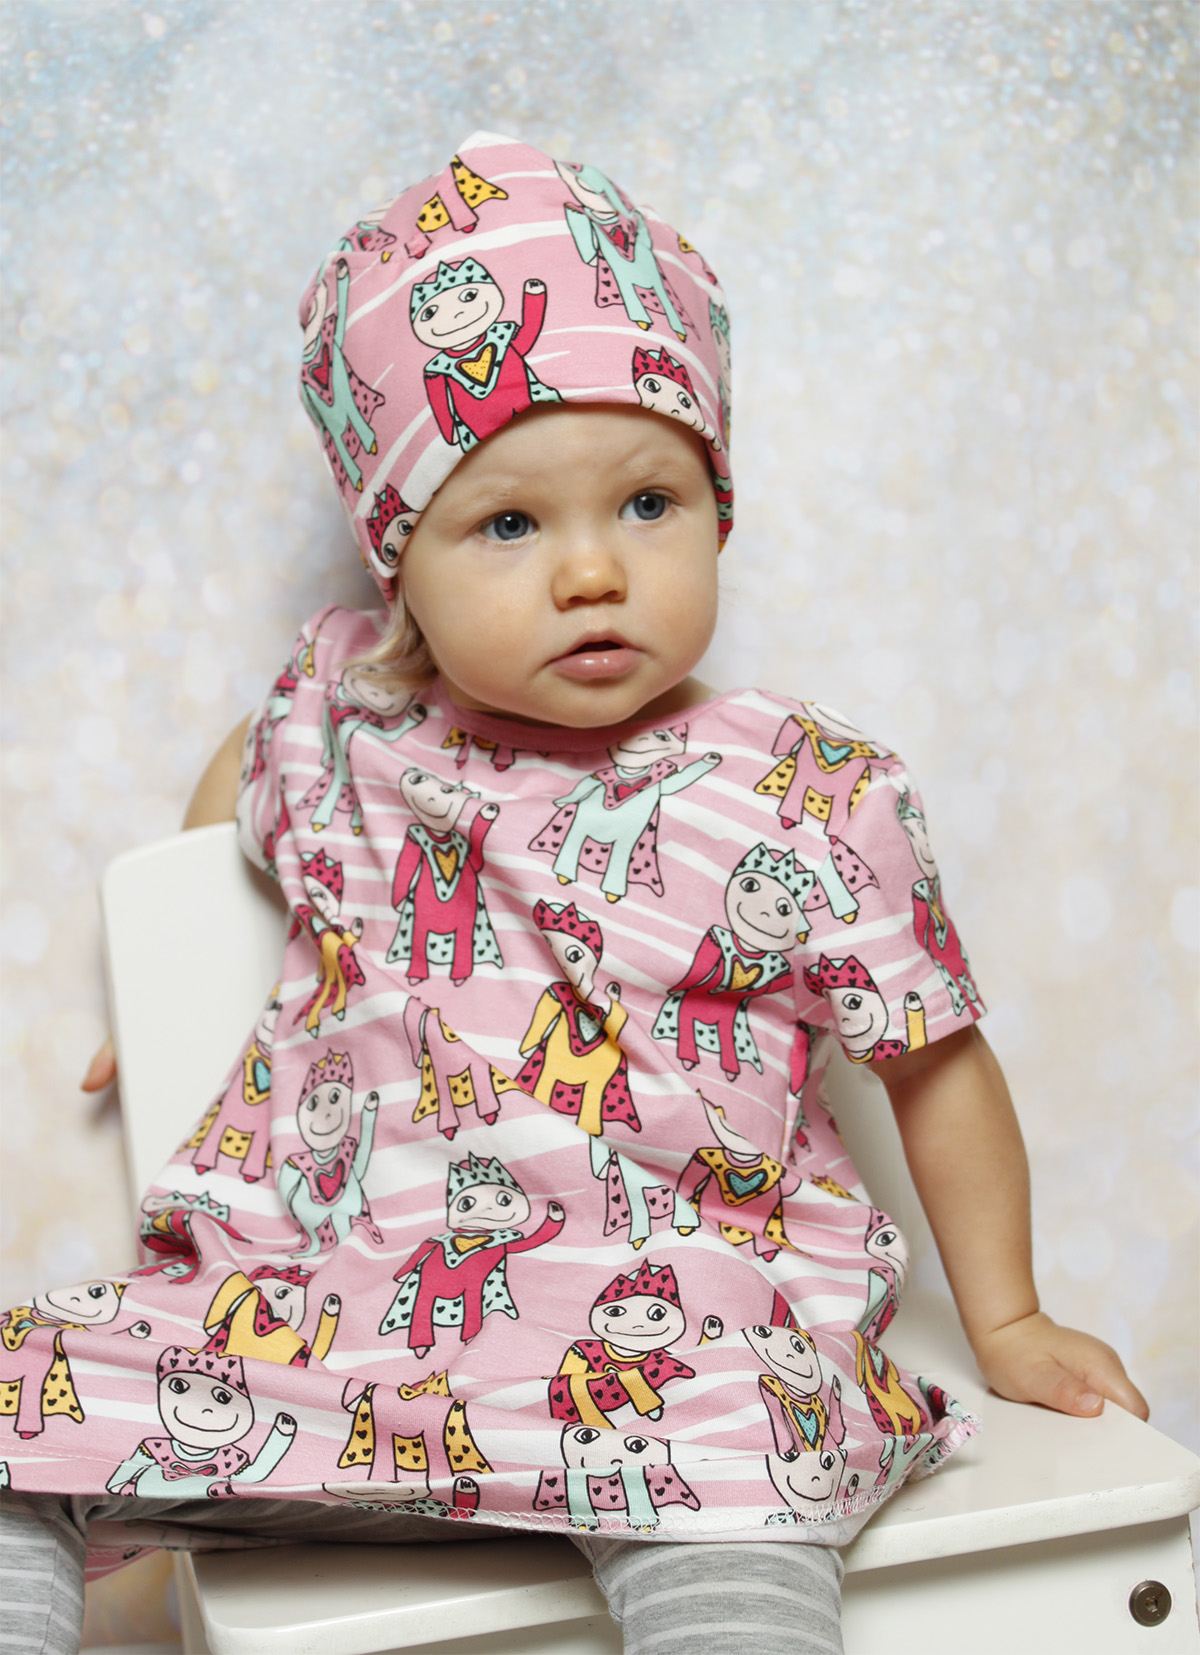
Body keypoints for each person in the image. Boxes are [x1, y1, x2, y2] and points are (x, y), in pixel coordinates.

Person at [1, 132, 1147, 1655]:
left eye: (649, 504)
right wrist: (172, 970)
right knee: (25, 1398)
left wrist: (1005, 1316)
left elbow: (935, 1062)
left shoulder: (806, 793)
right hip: (338, 1310)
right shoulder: (350, 717)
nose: (593, 572)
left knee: (736, 1431)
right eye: (510, 524)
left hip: (665, 1323)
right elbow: (243, 771)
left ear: (719, 505)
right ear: (399, 562)